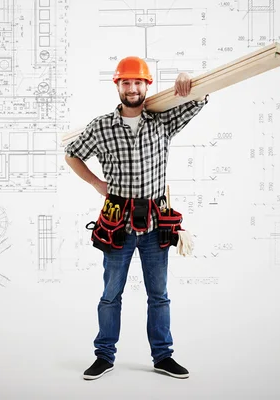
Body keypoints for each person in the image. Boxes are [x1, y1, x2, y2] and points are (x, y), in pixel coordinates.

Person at [64, 56, 208, 380]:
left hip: (156, 224)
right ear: (117, 85)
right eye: (126, 82)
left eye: (137, 82)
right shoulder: (101, 127)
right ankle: (104, 355)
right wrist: (95, 183)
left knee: (159, 295)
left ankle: (163, 356)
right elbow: (72, 154)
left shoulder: (162, 122)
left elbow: (199, 99)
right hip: (118, 225)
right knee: (110, 294)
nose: (132, 88)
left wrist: (189, 82)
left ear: (147, 85)